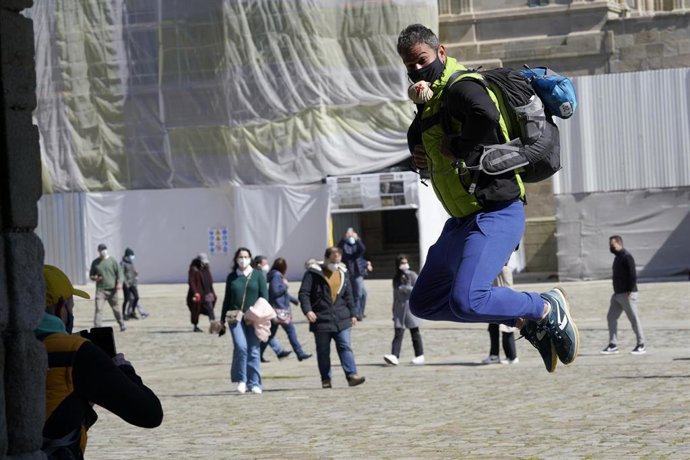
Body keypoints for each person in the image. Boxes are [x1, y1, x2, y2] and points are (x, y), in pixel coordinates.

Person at [398, 24, 579, 373]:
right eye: (409, 65)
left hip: (496, 212)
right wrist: (419, 154)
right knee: (424, 302)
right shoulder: (430, 101)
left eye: (421, 60)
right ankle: (528, 324)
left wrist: (458, 147)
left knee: (467, 299)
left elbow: (486, 115)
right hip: (462, 221)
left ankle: (543, 307)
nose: (416, 70)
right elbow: (419, 138)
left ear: (441, 52)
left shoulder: (461, 87)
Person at [36, 265, 163, 458]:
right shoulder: (76, 352)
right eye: (71, 307)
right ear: (62, 307)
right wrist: (123, 369)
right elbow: (149, 413)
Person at [298, 247, 365, 389]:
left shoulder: (342, 272)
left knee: (345, 346)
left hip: (342, 317)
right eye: (333, 261)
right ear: (326, 258)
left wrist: (353, 313)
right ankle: (326, 379)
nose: (336, 264)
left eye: (338, 260)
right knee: (323, 351)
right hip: (321, 318)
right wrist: (308, 310)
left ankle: (352, 375)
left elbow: (348, 295)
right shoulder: (313, 273)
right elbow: (304, 293)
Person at [219, 247, 269, 394]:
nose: (243, 259)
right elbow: (227, 299)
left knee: (253, 350)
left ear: (250, 259)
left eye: (246, 256)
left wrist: (257, 314)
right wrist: (222, 320)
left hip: (254, 317)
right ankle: (242, 380)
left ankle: (254, 383)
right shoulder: (232, 277)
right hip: (234, 316)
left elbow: (264, 297)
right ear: (236, 259)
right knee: (241, 347)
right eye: (240, 257)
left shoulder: (258, 275)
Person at [601, 235, 646, 355]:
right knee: (611, 317)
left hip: (627, 294)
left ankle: (641, 344)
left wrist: (630, 290)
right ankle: (613, 344)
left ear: (619, 244)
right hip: (617, 295)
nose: (611, 247)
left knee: (633, 319)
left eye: (612, 244)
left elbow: (632, 274)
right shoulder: (617, 257)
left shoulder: (627, 256)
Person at [265, 257, 312, 361]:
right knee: (291, 331)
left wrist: (293, 300)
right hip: (280, 310)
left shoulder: (275, 275)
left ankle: (258, 353)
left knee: (269, 334)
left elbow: (282, 294)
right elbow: (275, 292)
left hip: (277, 309)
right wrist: (285, 286)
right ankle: (300, 353)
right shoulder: (277, 276)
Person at [384, 255, 425, 366]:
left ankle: (419, 355)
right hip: (399, 308)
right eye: (402, 263)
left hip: (410, 307)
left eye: (406, 262)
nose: (404, 265)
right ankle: (394, 356)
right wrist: (393, 311)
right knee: (398, 332)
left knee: (414, 332)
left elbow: (419, 289)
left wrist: (406, 288)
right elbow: (395, 295)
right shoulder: (396, 278)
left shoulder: (412, 275)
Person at [254, 255, 291, 362]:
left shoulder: (263, 275)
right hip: (258, 307)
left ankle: (277, 351)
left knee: (267, 331)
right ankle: (261, 354)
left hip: (264, 306)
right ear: (258, 264)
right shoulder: (255, 275)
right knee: (263, 332)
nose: (267, 266)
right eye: (264, 263)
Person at [481, 264, 519, 365]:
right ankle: (494, 355)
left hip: (502, 302)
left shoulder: (503, 267)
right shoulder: (496, 265)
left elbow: (506, 286)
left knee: (506, 328)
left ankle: (512, 356)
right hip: (494, 300)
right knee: (493, 328)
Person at [89, 243, 126, 332]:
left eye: (104, 249)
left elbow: (120, 273)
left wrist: (120, 283)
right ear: (98, 251)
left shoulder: (112, 261)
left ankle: (121, 324)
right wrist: (95, 278)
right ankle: (97, 327)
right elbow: (91, 275)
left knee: (116, 309)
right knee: (99, 308)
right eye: (101, 250)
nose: (103, 251)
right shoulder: (95, 262)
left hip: (112, 290)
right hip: (100, 290)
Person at [337, 227, 368, 320]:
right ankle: (356, 313)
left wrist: (357, 239)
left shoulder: (357, 244)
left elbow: (362, 249)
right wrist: (343, 239)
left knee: (362, 294)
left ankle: (359, 312)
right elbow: (338, 249)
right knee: (355, 294)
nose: (350, 236)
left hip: (358, 272)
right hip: (349, 272)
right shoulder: (344, 245)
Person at [186, 253, 217, 333]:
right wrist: (195, 292)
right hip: (198, 293)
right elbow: (191, 281)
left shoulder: (206, 268)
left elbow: (209, 280)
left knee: (210, 308)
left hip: (207, 292)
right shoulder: (194, 269)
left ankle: (213, 325)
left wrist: (212, 291)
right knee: (196, 310)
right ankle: (195, 325)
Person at [121, 247, 147, 320]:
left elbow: (132, 271)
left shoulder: (131, 262)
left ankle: (132, 312)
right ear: (127, 256)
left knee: (136, 297)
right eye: (131, 255)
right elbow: (122, 274)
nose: (132, 257)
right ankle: (124, 314)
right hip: (126, 284)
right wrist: (125, 283)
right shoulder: (123, 263)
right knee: (126, 299)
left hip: (133, 283)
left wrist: (135, 273)